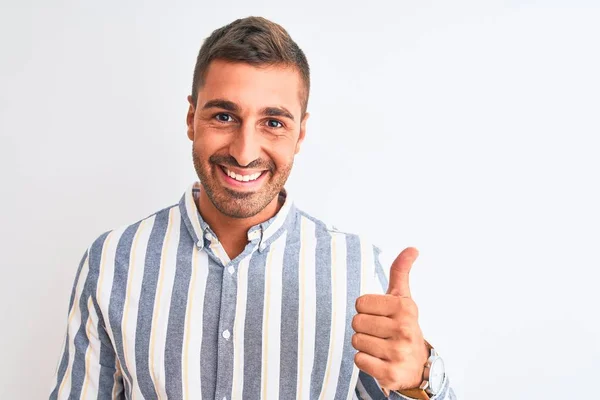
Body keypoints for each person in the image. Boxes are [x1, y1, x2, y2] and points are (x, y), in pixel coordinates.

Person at [49, 16, 455, 400]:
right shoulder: (115, 260)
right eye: (224, 116)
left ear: (300, 133)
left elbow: (409, 382)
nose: (244, 153)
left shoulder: (359, 270)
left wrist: (420, 377)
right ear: (191, 118)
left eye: (273, 122)